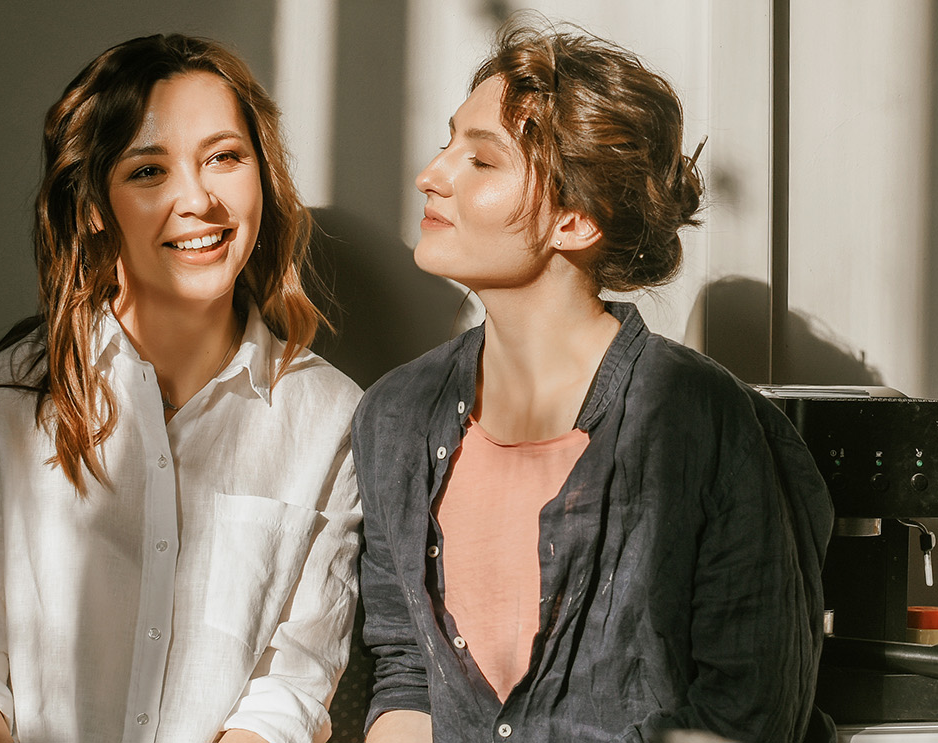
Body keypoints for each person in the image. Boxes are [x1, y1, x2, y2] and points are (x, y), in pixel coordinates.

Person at [352, 20, 834, 743]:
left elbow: (747, 712)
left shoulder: (701, 418)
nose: (433, 173)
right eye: (448, 141)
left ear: (575, 220)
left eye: (481, 161)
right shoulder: (394, 416)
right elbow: (404, 673)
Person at [0, 34, 362, 743]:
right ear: (90, 206)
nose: (197, 199)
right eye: (148, 171)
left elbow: (285, 692)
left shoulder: (333, 419)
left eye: (224, 157)